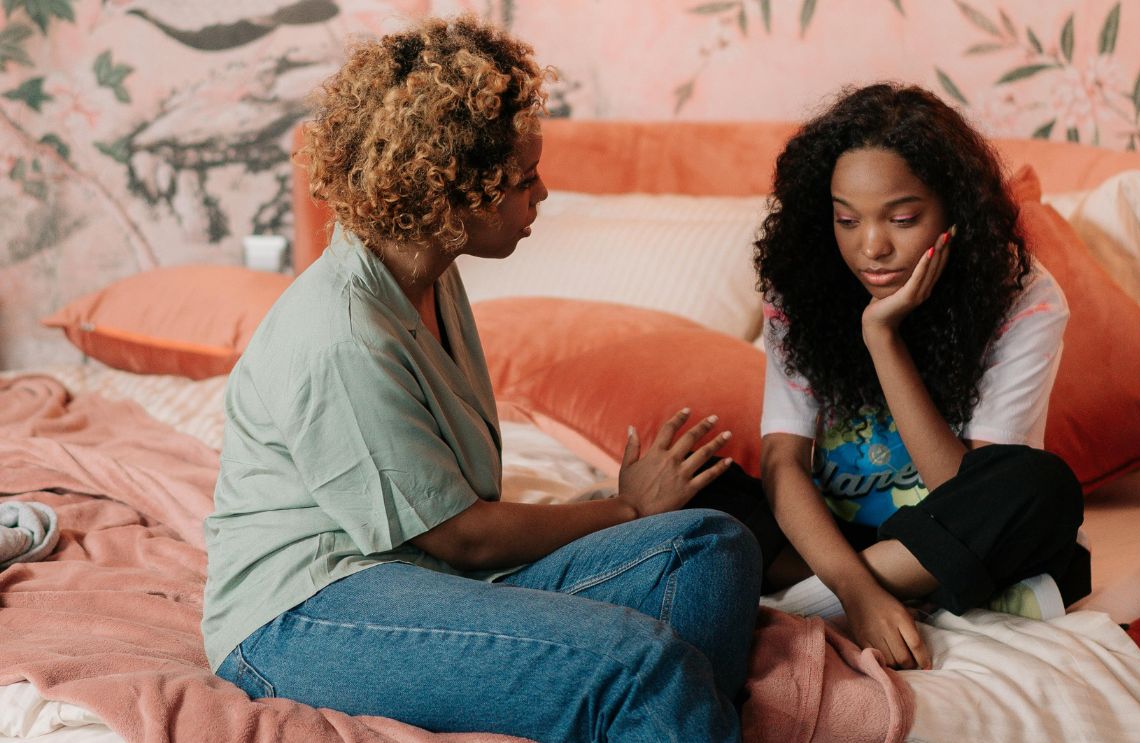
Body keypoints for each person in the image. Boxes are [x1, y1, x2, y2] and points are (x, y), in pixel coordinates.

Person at [200, 16, 761, 742]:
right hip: (302, 616)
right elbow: (462, 537)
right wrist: (625, 508)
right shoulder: (341, 332)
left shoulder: (429, 275)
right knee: (638, 663)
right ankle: (647, 700)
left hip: (424, 579)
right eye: (523, 180)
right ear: (450, 195)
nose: (544, 194)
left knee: (710, 546)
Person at [751, 83, 1088, 672]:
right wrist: (856, 592)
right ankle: (909, 588)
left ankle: (798, 601)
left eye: (902, 218)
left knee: (1042, 489)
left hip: (949, 530)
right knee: (697, 501)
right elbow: (783, 460)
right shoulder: (798, 286)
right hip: (839, 539)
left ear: (955, 209)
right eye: (847, 220)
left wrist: (883, 337)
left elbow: (968, 490)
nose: (872, 247)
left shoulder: (1024, 298)